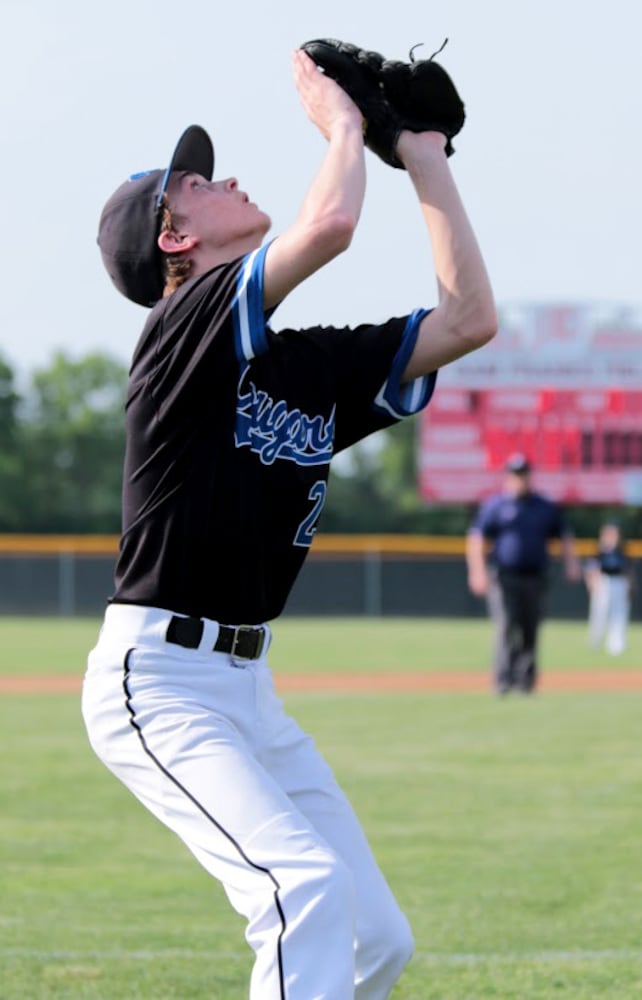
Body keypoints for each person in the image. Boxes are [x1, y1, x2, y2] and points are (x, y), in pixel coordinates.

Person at [81, 48, 497, 1000]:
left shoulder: (301, 368)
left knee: (373, 938)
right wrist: (342, 122)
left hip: (247, 691)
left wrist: (424, 155)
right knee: (300, 888)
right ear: (175, 242)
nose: (222, 177)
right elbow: (334, 222)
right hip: (161, 684)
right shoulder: (181, 328)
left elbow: (468, 319)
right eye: (195, 182)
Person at [466, 453, 580, 694]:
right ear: (508, 477)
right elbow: (476, 538)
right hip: (504, 577)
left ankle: (525, 682)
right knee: (505, 625)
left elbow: (564, 535)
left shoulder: (544, 506)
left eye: (524, 474)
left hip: (535, 576)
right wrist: (477, 571)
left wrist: (572, 563)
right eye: (515, 474)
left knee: (530, 628)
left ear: (530, 476)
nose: (520, 479)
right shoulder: (495, 505)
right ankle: (502, 680)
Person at [584, 520, 634, 655]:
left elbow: (628, 570)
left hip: (619, 582)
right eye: (609, 534)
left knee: (619, 614)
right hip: (603, 581)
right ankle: (594, 642)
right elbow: (591, 569)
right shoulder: (599, 550)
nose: (613, 536)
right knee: (599, 612)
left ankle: (616, 645)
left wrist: (630, 585)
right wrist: (592, 583)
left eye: (615, 534)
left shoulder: (622, 550)